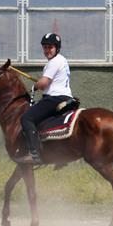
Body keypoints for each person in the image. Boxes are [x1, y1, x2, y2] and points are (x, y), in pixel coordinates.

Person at [18, 32, 72, 163]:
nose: (47, 50)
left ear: (57, 48)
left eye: (50, 47)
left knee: (26, 118)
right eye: (45, 47)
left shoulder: (54, 61)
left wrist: (34, 87)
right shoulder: (62, 60)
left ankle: (34, 153)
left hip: (54, 98)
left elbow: (43, 83)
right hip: (65, 97)